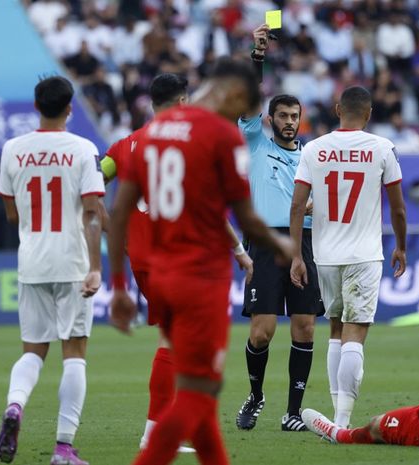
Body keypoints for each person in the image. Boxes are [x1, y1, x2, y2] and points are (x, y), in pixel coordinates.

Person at [108, 58, 294, 465]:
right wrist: (280, 247)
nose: (240, 116)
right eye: (243, 106)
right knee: (197, 393)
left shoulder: (148, 134)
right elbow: (244, 217)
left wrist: (119, 286)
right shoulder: (220, 136)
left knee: (198, 389)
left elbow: (119, 211)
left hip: (161, 273)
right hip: (201, 278)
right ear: (233, 93)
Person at [0, 76, 104, 465]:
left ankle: (14, 406)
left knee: (33, 351)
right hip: (72, 261)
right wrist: (95, 267)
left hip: (32, 261)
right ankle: (62, 447)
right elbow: (92, 212)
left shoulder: (13, 149)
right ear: (70, 107)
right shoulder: (82, 149)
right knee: (74, 353)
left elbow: (11, 213)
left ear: (36, 106)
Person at [290, 85, 408, 429]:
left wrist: (297, 255)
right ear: (369, 114)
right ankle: (341, 423)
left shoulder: (313, 148)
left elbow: (298, 206)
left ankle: (334, 415)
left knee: (336, 330)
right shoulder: (382, 148)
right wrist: (400, 246)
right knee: (356, 332)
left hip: (325, 255)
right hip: (364, 254)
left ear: (337, 108)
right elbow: (398, 209)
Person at [235, 24, 324, 433]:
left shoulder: (312, 158)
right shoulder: (256, 143)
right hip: (267, 242)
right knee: (263, 331)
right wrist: (258, 55)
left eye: (294, 117)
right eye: (283, 116)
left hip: (303, 242)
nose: (289, 122)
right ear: (268, 119)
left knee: (305, 326)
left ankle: (292, 412)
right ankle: (255, 396)